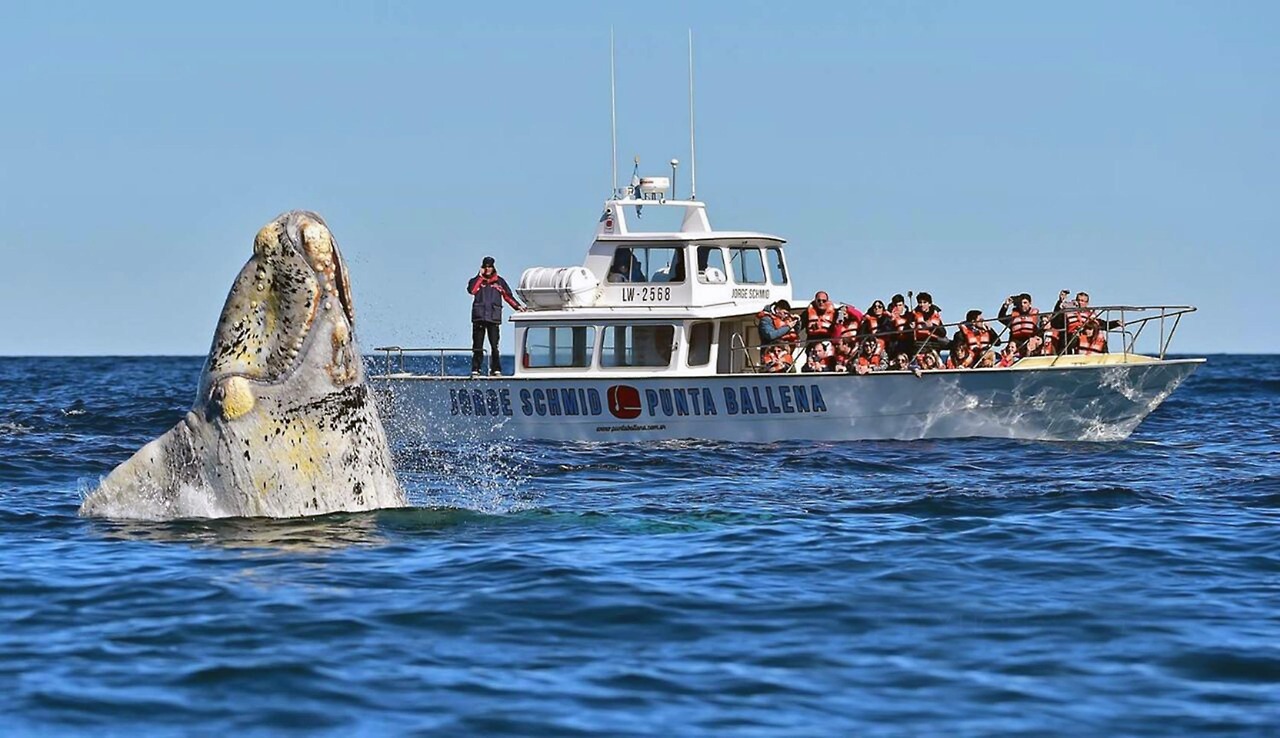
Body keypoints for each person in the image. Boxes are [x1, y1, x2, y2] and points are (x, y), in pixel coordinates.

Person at [467, 256, 526, 376]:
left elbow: (508, 296)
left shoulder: (499, 282)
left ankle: (496, 369)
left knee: (495, 345)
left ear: (493, 267)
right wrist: (479, 277)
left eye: (490, 266)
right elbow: (472, 291)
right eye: (485, 266)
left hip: (493, 318)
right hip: (479, 317)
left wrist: (518, 307)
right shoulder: (476, 281)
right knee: (477, 345)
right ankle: (476, 369)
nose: (487, 269)